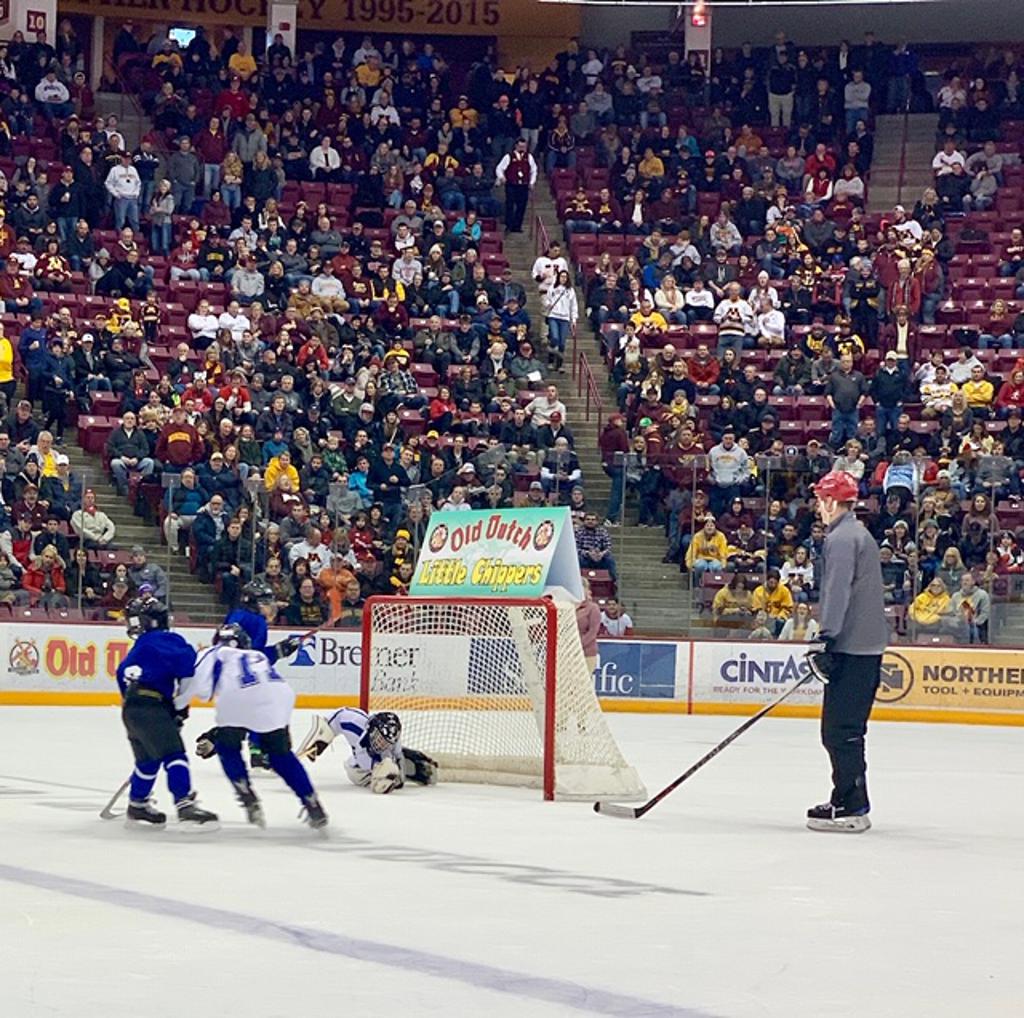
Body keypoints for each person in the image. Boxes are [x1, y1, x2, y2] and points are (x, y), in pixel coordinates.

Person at [806, 470, 888, 834]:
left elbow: (837, 591)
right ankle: (847, 798)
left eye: (821, 498)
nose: (817, 505)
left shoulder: (841, 538)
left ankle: (852, 806)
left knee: (842, 730)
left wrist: (826, 637)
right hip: (861, 645)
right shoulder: (857, 534)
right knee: (844, 729)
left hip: (852, 647)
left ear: (832, 501)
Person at [184, 622, 327, 830]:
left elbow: (196, 684)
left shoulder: (213, 652)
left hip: (239, 698)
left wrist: (175, 710)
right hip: (280, 695)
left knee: (228, 747)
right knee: (280, 755)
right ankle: (312, 802)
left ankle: (246, 795)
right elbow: (255, 707)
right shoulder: (256, 656)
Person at [115, 594, 218, 827]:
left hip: (131, 709)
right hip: (153, 705)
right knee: (174, 755)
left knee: (148, 759)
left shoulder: (138, 647)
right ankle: (184, 804)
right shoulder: (169, 640)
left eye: (136, 621)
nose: (133, 626)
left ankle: (137, 804)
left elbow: (121, 674)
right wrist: (179, 709)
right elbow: (187, 672)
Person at [297, 708, 438, 793]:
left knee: (368, 774)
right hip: (362, 763)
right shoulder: (354, 722)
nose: (381, 745)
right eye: (379, 739)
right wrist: (326, 732)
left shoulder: (390, 743)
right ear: (371, 729)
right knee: (378, 770)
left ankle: (405, 768)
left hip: (360, 769)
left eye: (386, 742)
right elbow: (339, 715)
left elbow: (396, 757)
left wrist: (397, 776)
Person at [494, 137, 537, 234]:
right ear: (516, 146)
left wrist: (532, 182)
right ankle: (509, 225)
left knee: (521, 206)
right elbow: (499, 168)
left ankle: (517, 226)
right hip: (511, 185)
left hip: (524, 185)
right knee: (510, 205)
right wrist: (501, 177)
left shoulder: (529, 157)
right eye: (520, 146)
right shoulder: (508, 156)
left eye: (524, 146)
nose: (522, 148)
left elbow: (534, 170)